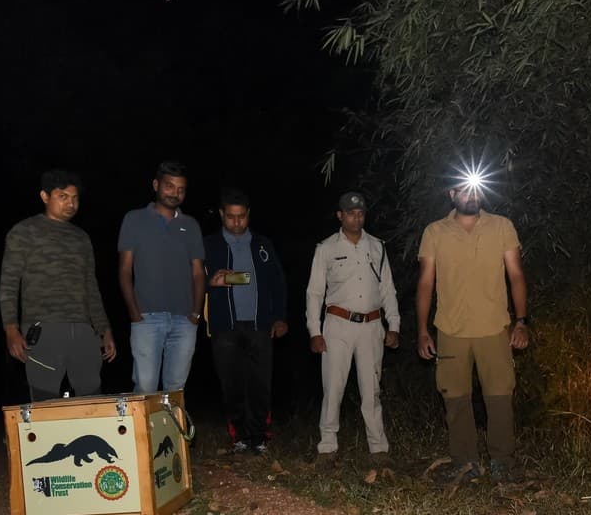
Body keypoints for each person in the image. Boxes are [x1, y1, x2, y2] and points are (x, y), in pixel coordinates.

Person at [416, 181, 530, 484]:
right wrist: (422, 330)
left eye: (475, 190)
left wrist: (521, 321)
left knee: (500, 396)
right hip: (450, 328)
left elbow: (516, 275)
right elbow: (426, 283)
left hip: (494, 326)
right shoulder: (435, 232)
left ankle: (503, 463)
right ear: (452, 194)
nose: (471, 195)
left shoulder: (501, 226)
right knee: (454, 398)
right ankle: (465, 463)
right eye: (464, 190)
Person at [0, 169, 117, 402]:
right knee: (45, 400)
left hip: (83, 330)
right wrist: (11, 329)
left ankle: (89, 438)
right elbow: (9, 284)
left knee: (92, 397)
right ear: (45, 196)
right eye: (63, 196)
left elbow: (91, 287)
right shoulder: (23, 232)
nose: (70, 204)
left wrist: (105, 329)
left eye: (75, 198)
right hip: (44, 329)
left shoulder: (81, 237)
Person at [305, 192, 401, 468]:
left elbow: (387, 289)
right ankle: (327, 447)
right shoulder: (326, 248)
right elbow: (314, 292)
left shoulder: (377, 246)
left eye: (360, 213)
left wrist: (393, 324)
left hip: (372, 326)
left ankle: (379, 448)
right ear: (340, 215)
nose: (355, 217)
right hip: (337, 325)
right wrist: (315, 331)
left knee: (371, 390)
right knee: (333, 388)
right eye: (350, 213)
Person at [203, 188, 289, 455]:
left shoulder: (263, 244)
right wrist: (211, 282)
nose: (236, 222)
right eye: (230, 217)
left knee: (260, 382)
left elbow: (278, 282)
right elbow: (191, 282)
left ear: (248, 215)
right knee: (231, 383)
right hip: (224, 326)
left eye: (241, 217)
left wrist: (280, 317)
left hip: (259, 325)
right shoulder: (209, 245)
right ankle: (239, 436)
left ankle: (259, 436)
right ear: (221, 215)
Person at [117, 160, 206, 394]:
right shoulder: (133, 219)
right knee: (145, 387)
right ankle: (144, 432)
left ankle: (172, 432)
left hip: (184, 320)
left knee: (176, 388)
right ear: (156, 185)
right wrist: (134, 313)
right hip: (146, 318)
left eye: (181, 189)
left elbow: (198, 272)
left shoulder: (191, 225)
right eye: (169, 186)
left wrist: (196, 314)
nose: (175, 193)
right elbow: (125, 270)